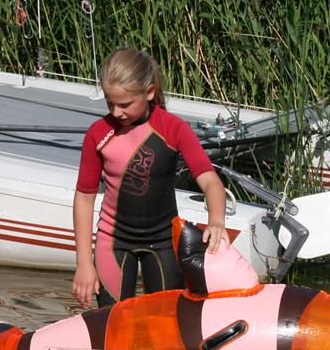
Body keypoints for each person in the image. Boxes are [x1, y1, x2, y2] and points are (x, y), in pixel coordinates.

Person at [72, 48, 230, 308]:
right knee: (113, 321)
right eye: (110, 103)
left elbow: (209, 180)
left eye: (125, 105)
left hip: (164, 240)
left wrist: (216, 221)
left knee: (166, 319)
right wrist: (84, 264)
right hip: (113, 241)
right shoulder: (98, 134)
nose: (116, 112)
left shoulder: (173, 128)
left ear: (149, 92)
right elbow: (84, 197)